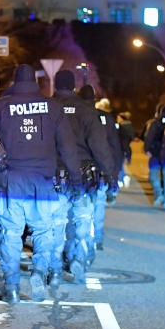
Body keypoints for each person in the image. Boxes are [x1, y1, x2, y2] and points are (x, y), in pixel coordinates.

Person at [0, 64, 81, 304]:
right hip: (43, 181)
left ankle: (11, 286)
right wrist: (75, 178)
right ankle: (39, 272)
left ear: (14, 81)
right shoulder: (53, 107)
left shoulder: (0, 105)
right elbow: (67, 146)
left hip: (11, 180)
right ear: (35, 81)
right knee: (43, 230)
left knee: (11, 233)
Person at [53, 71, 117, 289]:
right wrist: (109, 173)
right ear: (73, 87)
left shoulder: (48, 107)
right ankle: (79, 260)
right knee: (82, 219)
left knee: (56, 222)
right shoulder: (87, 111)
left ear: (55, 85)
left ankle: (54, 267)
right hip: (83, 174)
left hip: (54, 172)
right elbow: (100, 146)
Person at [80, 84, 121, 255]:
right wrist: (114, 173)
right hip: (102, 170)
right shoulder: (106, 118)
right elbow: (115, 147)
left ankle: (80, 242)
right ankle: (97, 239)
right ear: (95, 99)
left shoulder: (75, 116)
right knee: (98, 206)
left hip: (80, 169)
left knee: (79, 208)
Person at [143, 104, 165, 207]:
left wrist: (147, 149)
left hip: (156, 152)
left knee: (153, 175)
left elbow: (148, 136)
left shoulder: (155, 122)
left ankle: (158, 193)